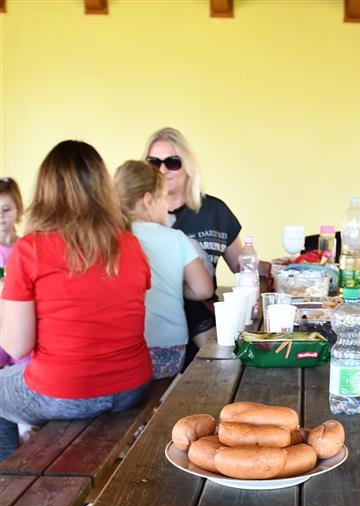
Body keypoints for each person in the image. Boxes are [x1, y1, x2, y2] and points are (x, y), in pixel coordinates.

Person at [0, 140, 152, 462]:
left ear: (44, 191)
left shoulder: (29, 249)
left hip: (66, 392)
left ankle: (11, 479)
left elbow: (16, 346)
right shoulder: (131, 244)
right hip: (132, 386)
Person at [143, 127, 255, 356]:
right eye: (154, 163)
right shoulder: (133, 220)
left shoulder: (215, 211)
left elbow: (244, 268)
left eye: (172, 162)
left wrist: (283, 270)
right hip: (152, 327)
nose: (162, 170)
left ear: (188, 166)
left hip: (203, 319)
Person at [115, 160, 214, 379]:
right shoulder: (175, 238)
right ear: (148, 200)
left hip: (122, 353)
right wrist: (174, 285)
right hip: (169, 350)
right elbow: (204, 289)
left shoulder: (111, 239)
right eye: (163, 198)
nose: (168, 207)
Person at [0, 177, 31, 370]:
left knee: (26, 365)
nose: (1, 216)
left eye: (6, 209)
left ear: (18, 210)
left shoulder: (26, 247)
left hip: (19, 323)